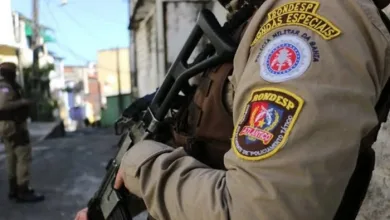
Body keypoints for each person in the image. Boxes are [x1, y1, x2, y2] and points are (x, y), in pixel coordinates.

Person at [76, 0, 390, 219]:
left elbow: (262, 211)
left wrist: (139, 165)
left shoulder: (305, 21)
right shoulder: (253, 16)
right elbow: (206, 146)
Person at [0, 62, 45, 203]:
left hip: (8, 127)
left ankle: (14, 189)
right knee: (23, 155)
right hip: (13, 126)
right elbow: (3, 105)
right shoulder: (5, 87)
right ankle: (22, 189)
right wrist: (23, 102)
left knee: (12, 157)